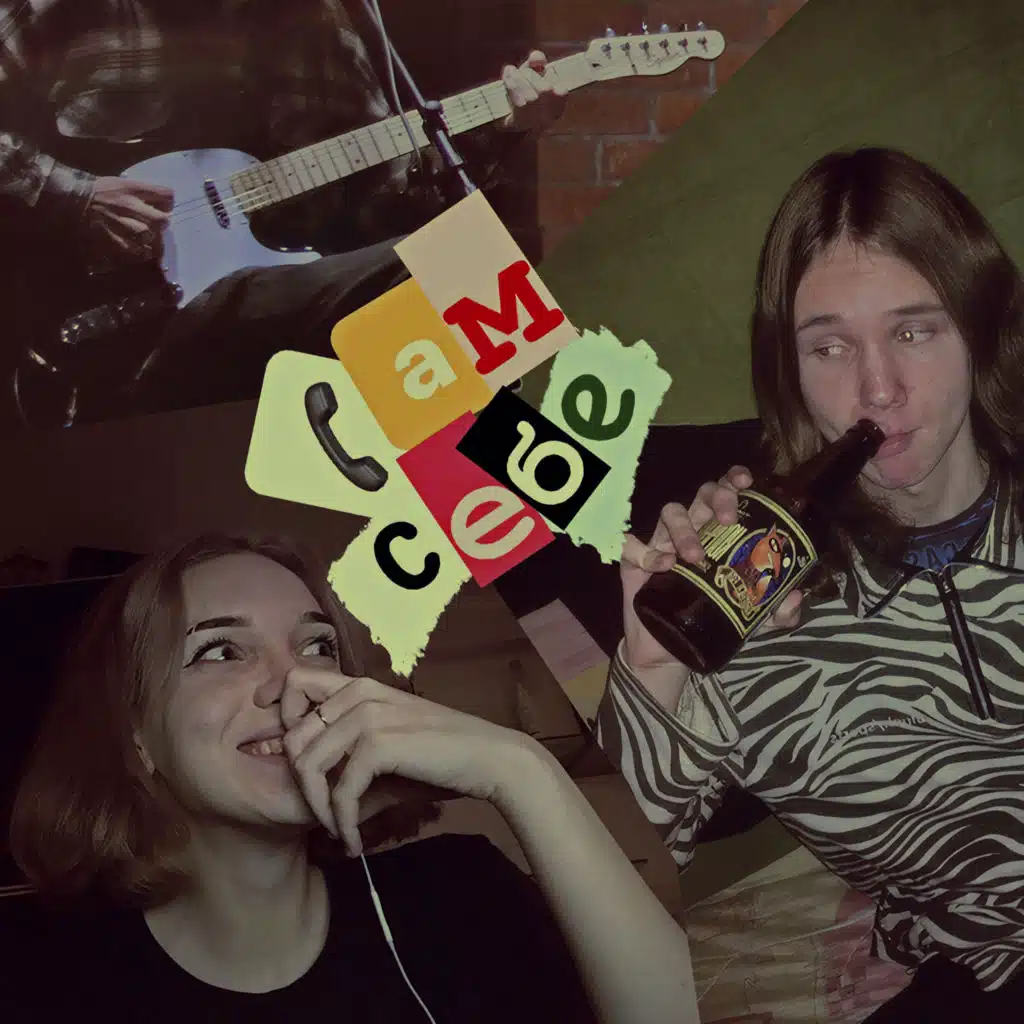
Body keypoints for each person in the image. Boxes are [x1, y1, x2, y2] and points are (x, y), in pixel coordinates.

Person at [597, 146, 1024, 1022]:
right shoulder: (755, 610)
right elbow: (612, 879)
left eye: (914, 331)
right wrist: (653, 672)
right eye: (829, 346)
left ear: (978, 330)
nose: (878, 391)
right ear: (789, 369)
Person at [1, 532, 699, 1022]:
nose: (294, 684)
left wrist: (525, 771)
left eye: (317, 646)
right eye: (221, 651)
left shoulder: (464, 895)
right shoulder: (46, 986)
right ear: (135, 733)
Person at [0, 0, 564, 425]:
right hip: (92, 320)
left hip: (258, 294)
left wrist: (501, 128)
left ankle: (502, 506)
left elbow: (378, 202)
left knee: (470, 272)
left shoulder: (309, 18)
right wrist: (75, 196)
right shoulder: (57, 10)